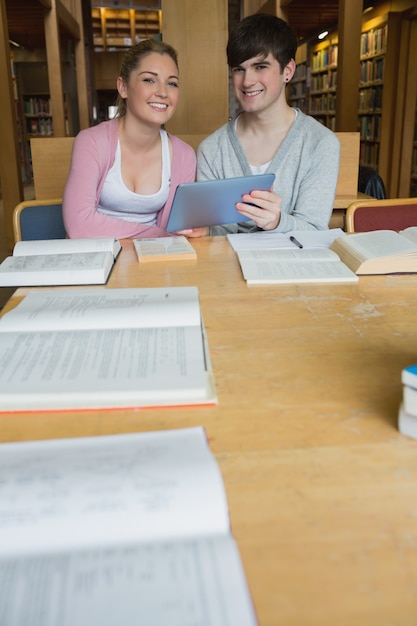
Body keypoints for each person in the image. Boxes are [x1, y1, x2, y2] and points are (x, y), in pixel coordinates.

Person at [186, 13, 340, 237]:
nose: (247, 81)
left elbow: (315, 230)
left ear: (287, 71)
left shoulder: (321, 143)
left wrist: (277, 222)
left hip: (291, 267)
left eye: (260, 67)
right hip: (227, 268)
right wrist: (206, 230)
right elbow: (218, 233)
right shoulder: (212, 149)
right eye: (239, 69)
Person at [63, 39, 196, 239]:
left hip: (155, 261)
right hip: (98, 259)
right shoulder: (91, 142)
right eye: (149, 80)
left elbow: (178, 230)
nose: (162, 92)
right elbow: (79, 225)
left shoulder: (184, 155)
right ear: (123, 87)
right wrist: (160, 235)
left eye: (172, 83)